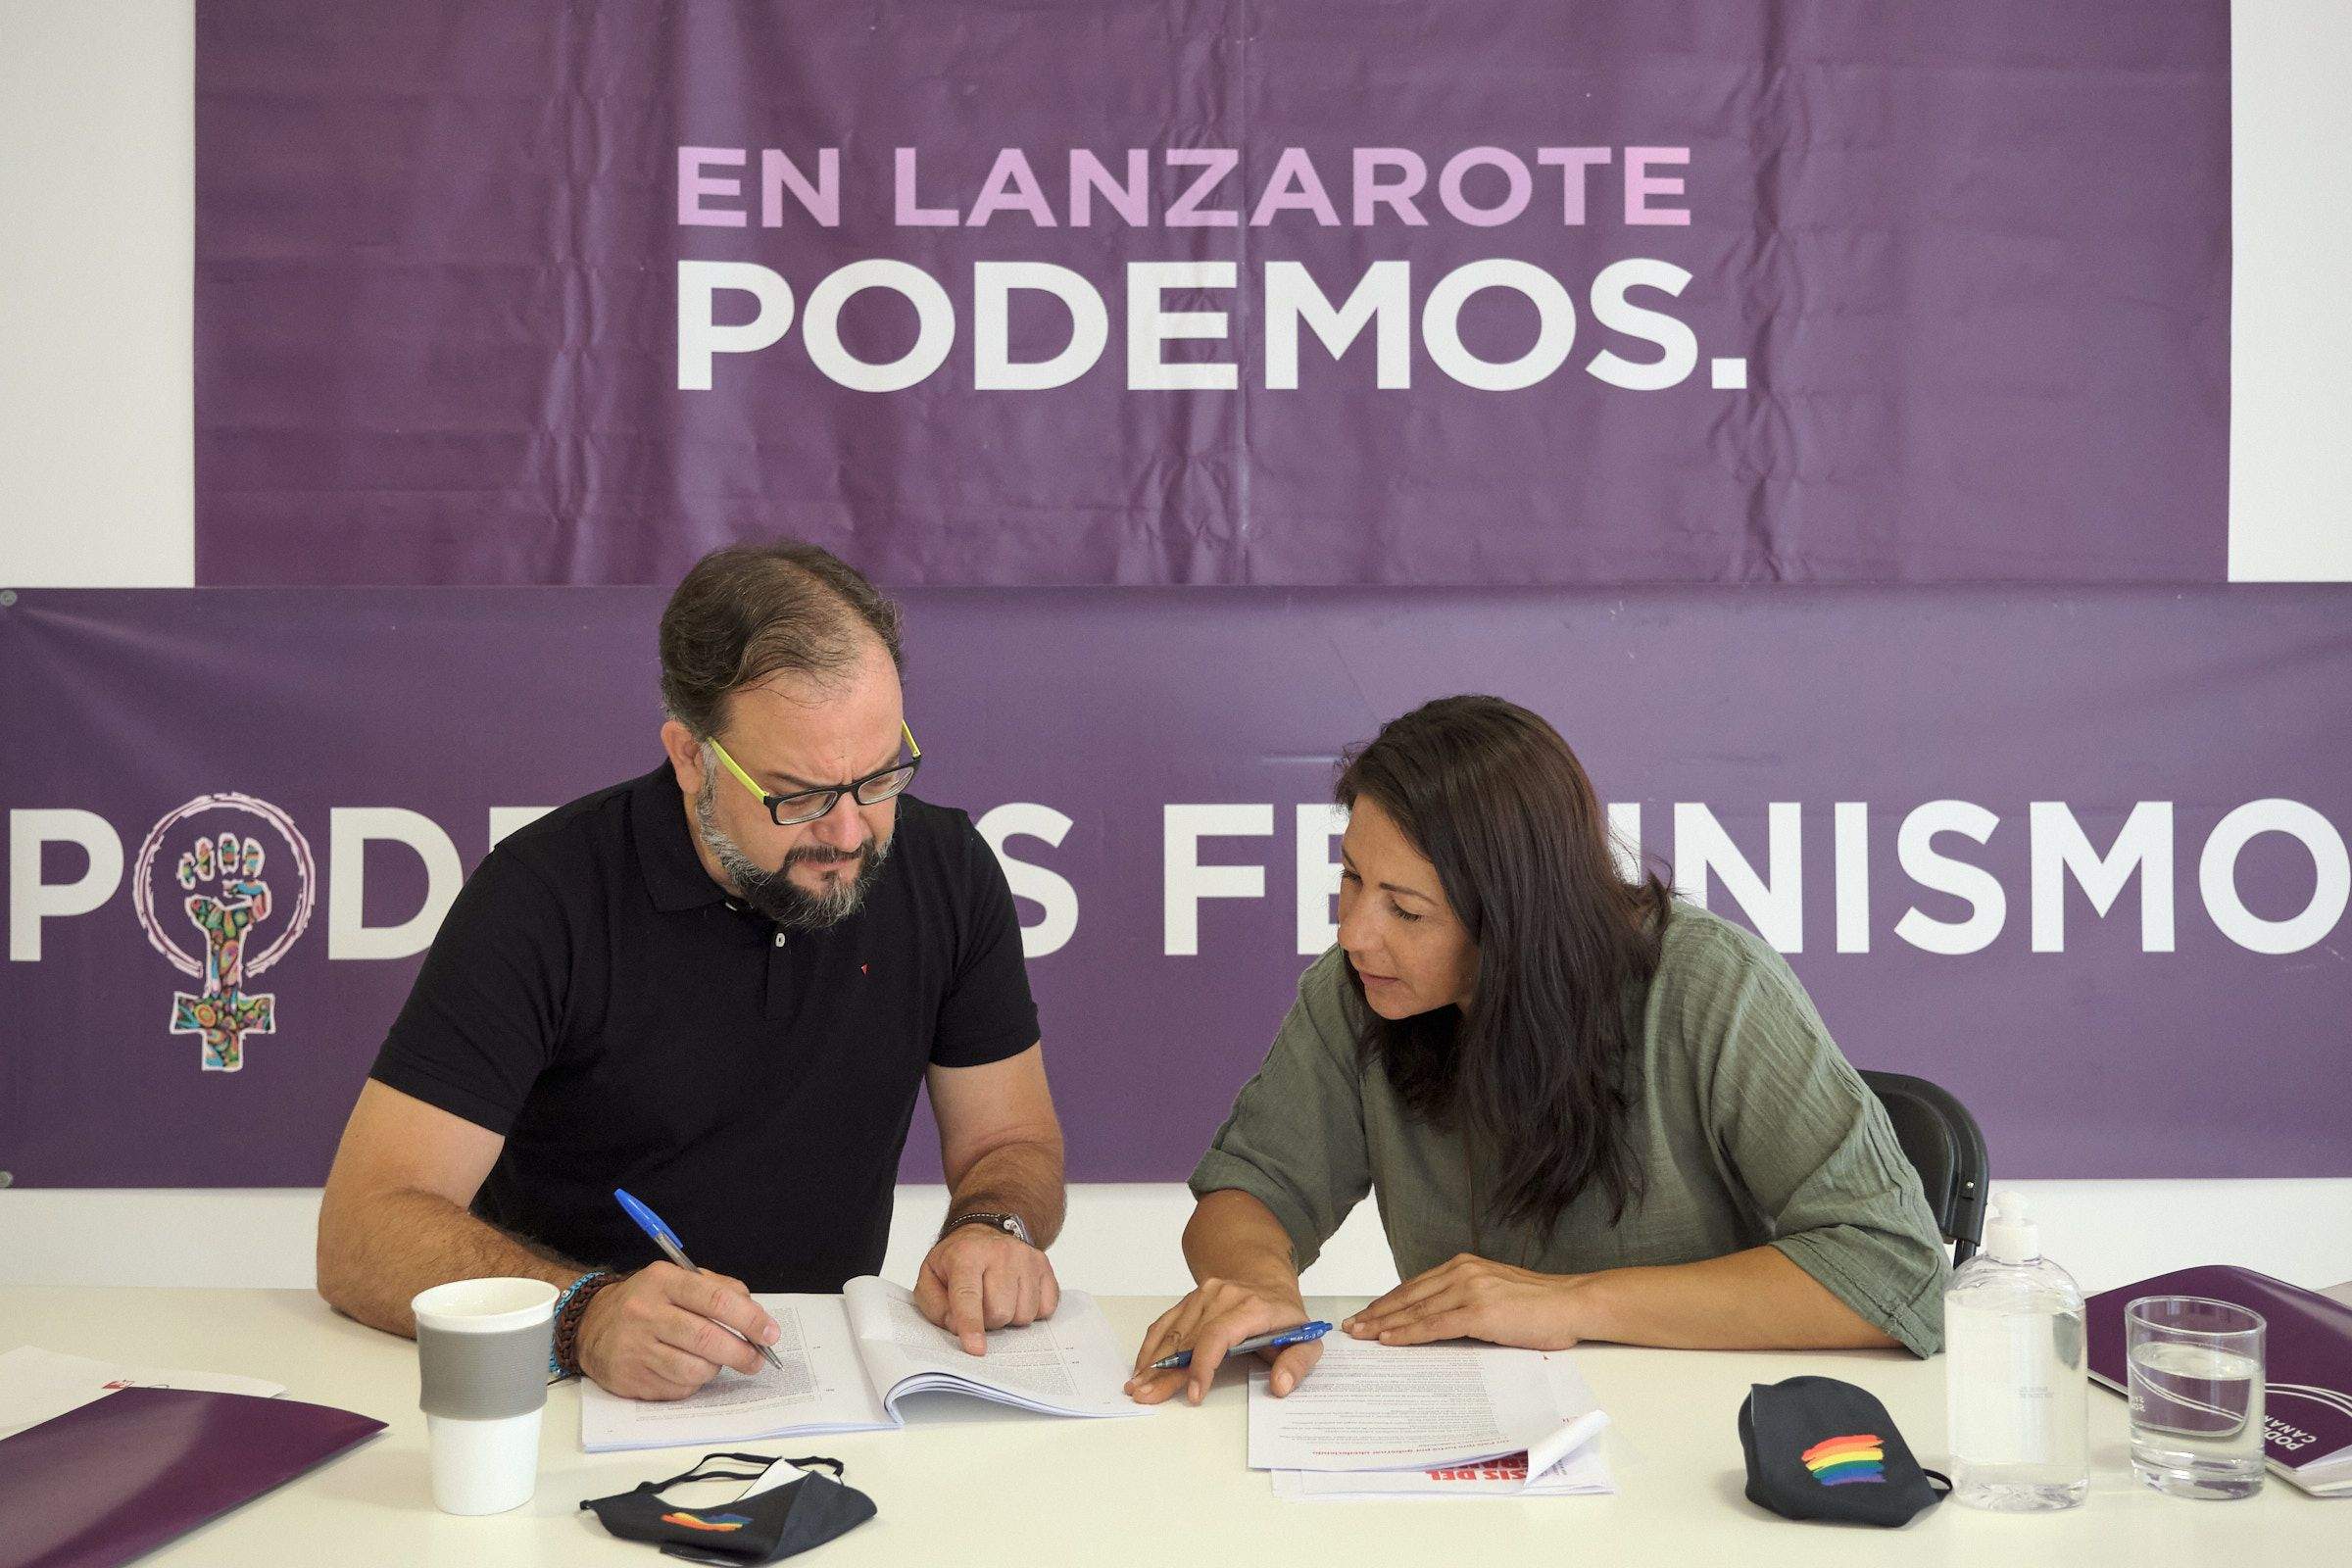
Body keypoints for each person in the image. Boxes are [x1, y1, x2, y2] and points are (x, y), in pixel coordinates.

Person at [318, 541, 1064, 1399]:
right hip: (576, 1402)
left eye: (878, 779)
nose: (851, 835)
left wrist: (992, 1224)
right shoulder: (545, 896)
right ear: (690, 756)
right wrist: (583, 1317)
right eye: (800, 797)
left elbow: (1012, 1142)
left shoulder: (947, 870)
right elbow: (361, 1230)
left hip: (827, 1397)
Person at [1128, 695, 1948, 1407]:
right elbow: (1250, 1190)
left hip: (1704, 1442)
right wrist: (1263, 1287)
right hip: (1466, 1436)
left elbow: (1892, 1270)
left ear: (1517, 917)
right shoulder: (1357, 993)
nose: (1354, 934)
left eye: (1407, 911)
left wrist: (1571, 1305)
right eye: (1351, 880)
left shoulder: (1708, 984)